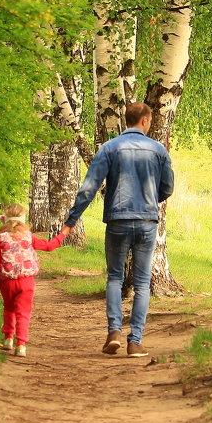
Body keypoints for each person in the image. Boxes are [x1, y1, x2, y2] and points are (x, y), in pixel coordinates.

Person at [60, 101, 174, 357]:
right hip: (146, 221)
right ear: (145, 121)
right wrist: (149, 198)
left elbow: (89, 187)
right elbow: (167, 188)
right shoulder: (158, 150)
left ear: (126, 120)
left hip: (117, 220)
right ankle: (135, 342)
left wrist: (71, 221)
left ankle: (114, 331)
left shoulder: (109, 148)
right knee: (143, 283)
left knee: (114, 277)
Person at [0, 203, 67, 358]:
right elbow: (49, 246)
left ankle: (8, 338)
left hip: (6, 282)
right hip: (26, 281)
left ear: (5, 220)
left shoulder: (0, 238)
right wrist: (62, 234)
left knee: (9, 308)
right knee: (23, 313)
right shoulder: (29, 237)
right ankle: (21, 345)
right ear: (23, 220)